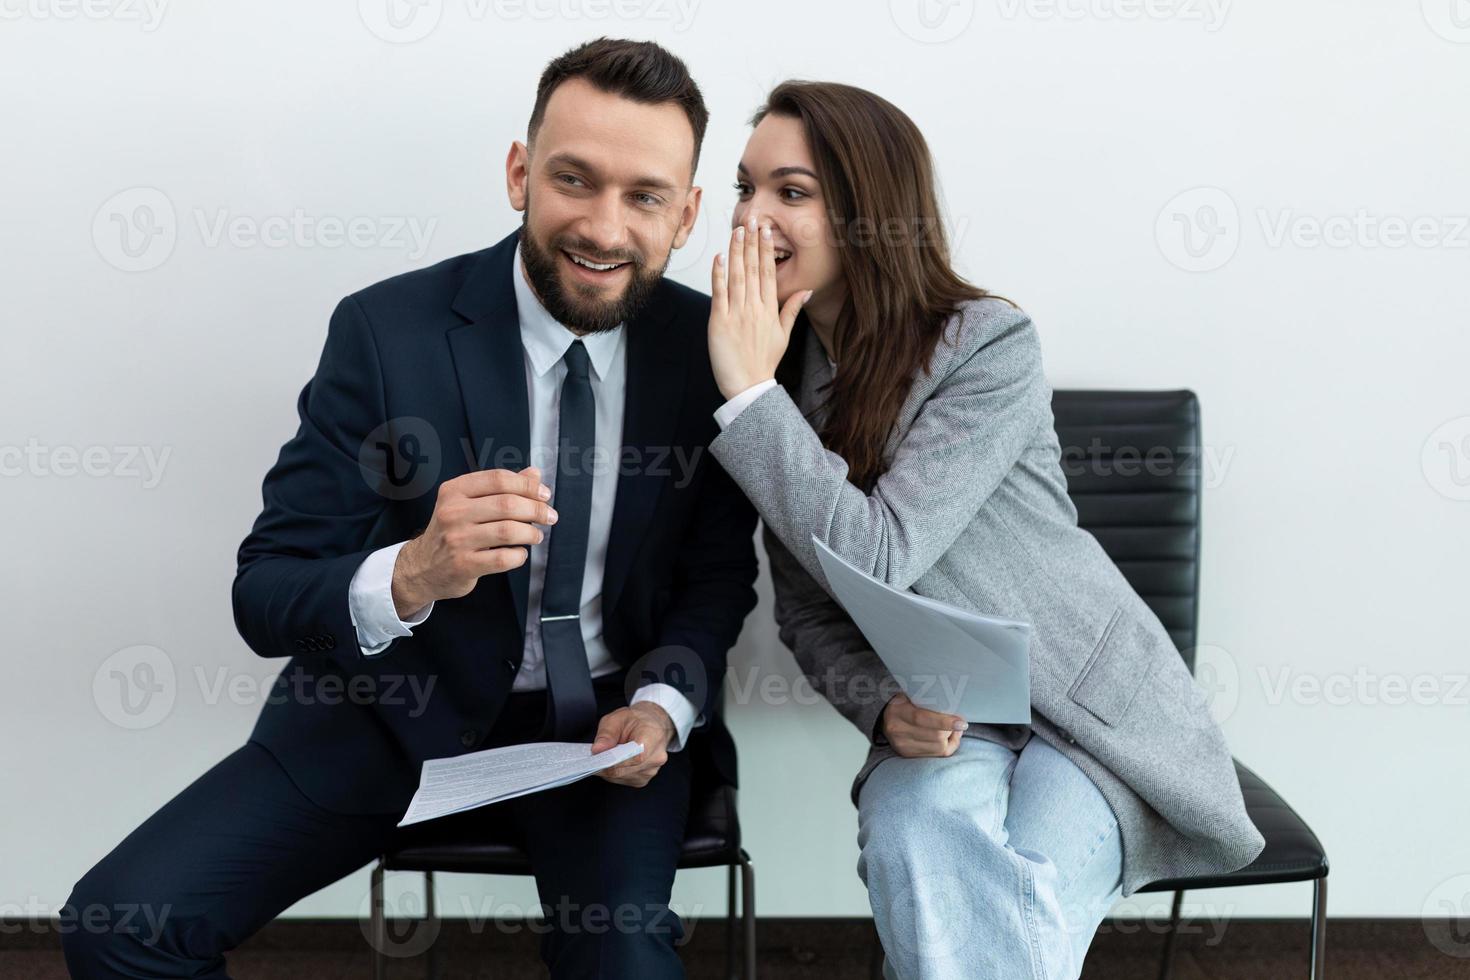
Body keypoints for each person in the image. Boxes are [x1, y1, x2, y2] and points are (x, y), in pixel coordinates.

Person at [62, 38, 756, 980]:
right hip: (388, 717)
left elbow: (714, 577)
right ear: (519, 174)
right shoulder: (385, 333)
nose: (603, 226)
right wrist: (412, 572)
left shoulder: (709, 352)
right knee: (120, 925)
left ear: (686, 215)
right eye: (573, 180)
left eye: (644, 196)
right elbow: (264, 592)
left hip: (603, 738)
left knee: (628, 962)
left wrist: (663, 706)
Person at [703, 80, 1265, 980]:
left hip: (1087, 714)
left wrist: (751, 402)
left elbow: (883, 549)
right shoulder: (774, 380)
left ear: (869, 213)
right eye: (744, 187)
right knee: (918, 842)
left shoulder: (985, 342)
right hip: (944, 714)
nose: (752, 216)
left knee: (995, 889)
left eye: (791, 192)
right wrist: (882, 706)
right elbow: (809, 614)